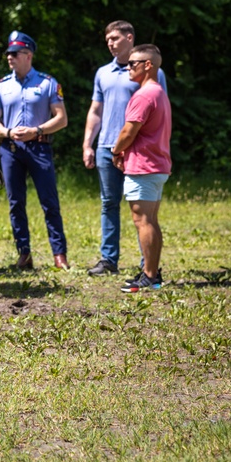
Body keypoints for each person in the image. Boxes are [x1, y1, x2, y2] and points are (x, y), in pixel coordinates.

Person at [82, 21, 168, 277]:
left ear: (130, 38)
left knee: (143, 211)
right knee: (109, 203)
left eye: (115, 38)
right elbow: (96, 110)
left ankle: (147, 265)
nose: (110, 42)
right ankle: (109, 260)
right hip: (108, 147)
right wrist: (88, 144)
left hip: (137, 151)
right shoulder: (102, 73)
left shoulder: (149, 71)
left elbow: (156, 113)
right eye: (107, 38)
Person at [0, 31, 69, 270]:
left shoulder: (47, 83)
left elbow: (61, 119)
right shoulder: (1, 86)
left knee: (49, 202)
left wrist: (37, 130)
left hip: (39, 147)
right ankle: (24, 254)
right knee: (15, 203)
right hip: (11, 149)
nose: (10, 58)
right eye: (8, 54)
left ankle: (59, 254)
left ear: (28, 55)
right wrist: (9, 132)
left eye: (15, 54)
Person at [112, 44, 172, 292]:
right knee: (151, 221)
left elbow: (128, 131)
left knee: (143, 221)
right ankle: (152, 272)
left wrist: (115, 151)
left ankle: (149, 275)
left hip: (144, 166)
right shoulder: (158, 92)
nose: (128, 67)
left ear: (148, 65)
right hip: (157, 164)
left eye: (133, 63)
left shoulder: (144, 94)